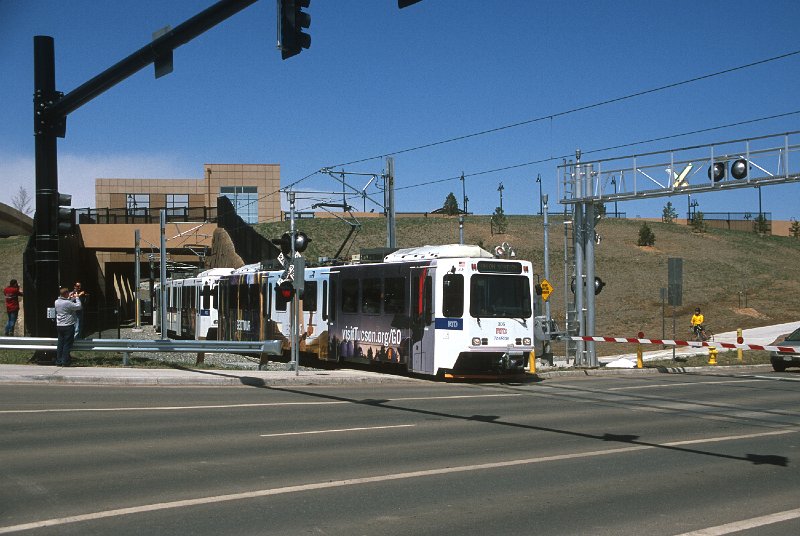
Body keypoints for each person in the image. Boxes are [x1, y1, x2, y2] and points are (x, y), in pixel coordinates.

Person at [55, 287, 82, 366]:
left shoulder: (56, 302)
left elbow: (66, 304)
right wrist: (77, 297)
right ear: (66, 293)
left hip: (59, 325)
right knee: (67, 344)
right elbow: (78, 306)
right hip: (68, 326)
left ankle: (59, 360)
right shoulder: (67, 303)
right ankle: (65, 361)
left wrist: (70, 297)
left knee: (60, 343)